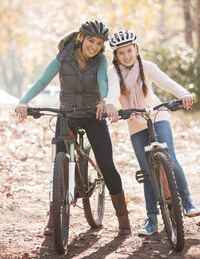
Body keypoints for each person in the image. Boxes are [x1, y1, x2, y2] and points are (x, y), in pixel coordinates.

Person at [15, 20, 132, 236]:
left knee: (106, 165)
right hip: (67, 115)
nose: (94, 46)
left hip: (93, 115)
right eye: (91, 41)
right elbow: (42, 81)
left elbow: (103, 82)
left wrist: (105, 101)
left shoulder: (101, 60)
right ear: (81, 38)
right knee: (60, 167)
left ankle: (123, 218)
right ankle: (54, 217)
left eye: (99, 43)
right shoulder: (63, 57)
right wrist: (24, 101)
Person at [102, 29, 200, 236]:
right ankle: (152, 219)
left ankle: (187, 200)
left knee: (170, 159)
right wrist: (110, 105)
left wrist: (183, 93)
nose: (127, 56)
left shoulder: (147, 67)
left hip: (157, 115)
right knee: (147, 171)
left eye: (130, 51)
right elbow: (112, 92)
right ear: (116, 56)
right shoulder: (113, 72)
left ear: (136, 49)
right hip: (135, 122)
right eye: (121, 53)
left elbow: (167, 83)